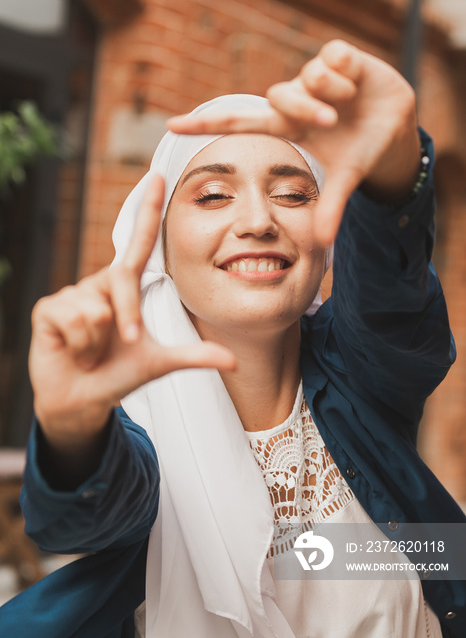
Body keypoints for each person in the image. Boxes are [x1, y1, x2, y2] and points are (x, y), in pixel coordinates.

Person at [0, 39, 465, 637]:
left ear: (326, 239)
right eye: (213, 195)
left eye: (294, 193)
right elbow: (81, 524)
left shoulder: (362, 372)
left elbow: (394, 303)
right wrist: (70, 426)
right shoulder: (136, 426)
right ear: (161, 242)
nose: (256, 220)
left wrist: (394, 170)